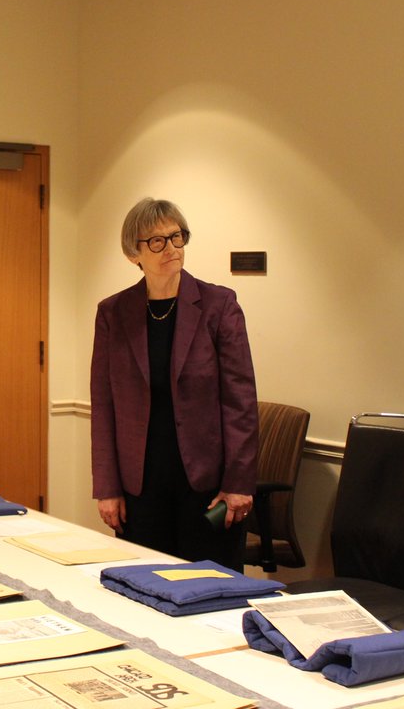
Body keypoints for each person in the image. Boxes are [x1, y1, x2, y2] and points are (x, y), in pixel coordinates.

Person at [90, 198, 259, 570]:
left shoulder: (219, 306)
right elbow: (104, 405)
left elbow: (240, 402)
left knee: (212, 592)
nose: (171, 248)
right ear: (134, 253)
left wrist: (238, 483)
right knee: (144, 588)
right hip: (140, 486)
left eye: (176, 237)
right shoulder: (113, 313)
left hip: (207, 487)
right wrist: (107, 488)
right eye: (157, 241)